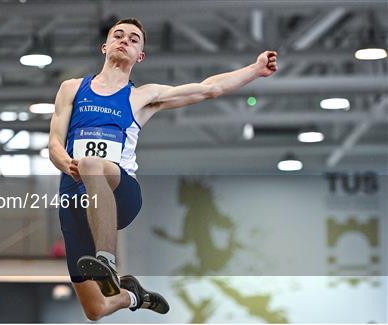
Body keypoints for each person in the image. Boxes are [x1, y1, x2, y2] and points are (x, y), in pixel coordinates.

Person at [48, 17, 278, 321]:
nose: (124, 41)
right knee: (95, 310)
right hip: (76, 202)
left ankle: (106, 259)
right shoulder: (72, 88)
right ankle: (133, 295)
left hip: (120, 195)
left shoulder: (142, 96)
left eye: (133, 39)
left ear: (139, 56)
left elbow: (208, 89)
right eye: (118, 35)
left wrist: (254, 70)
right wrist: (65, 163)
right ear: (104, 46)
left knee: (92, 164)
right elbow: (54, 143)